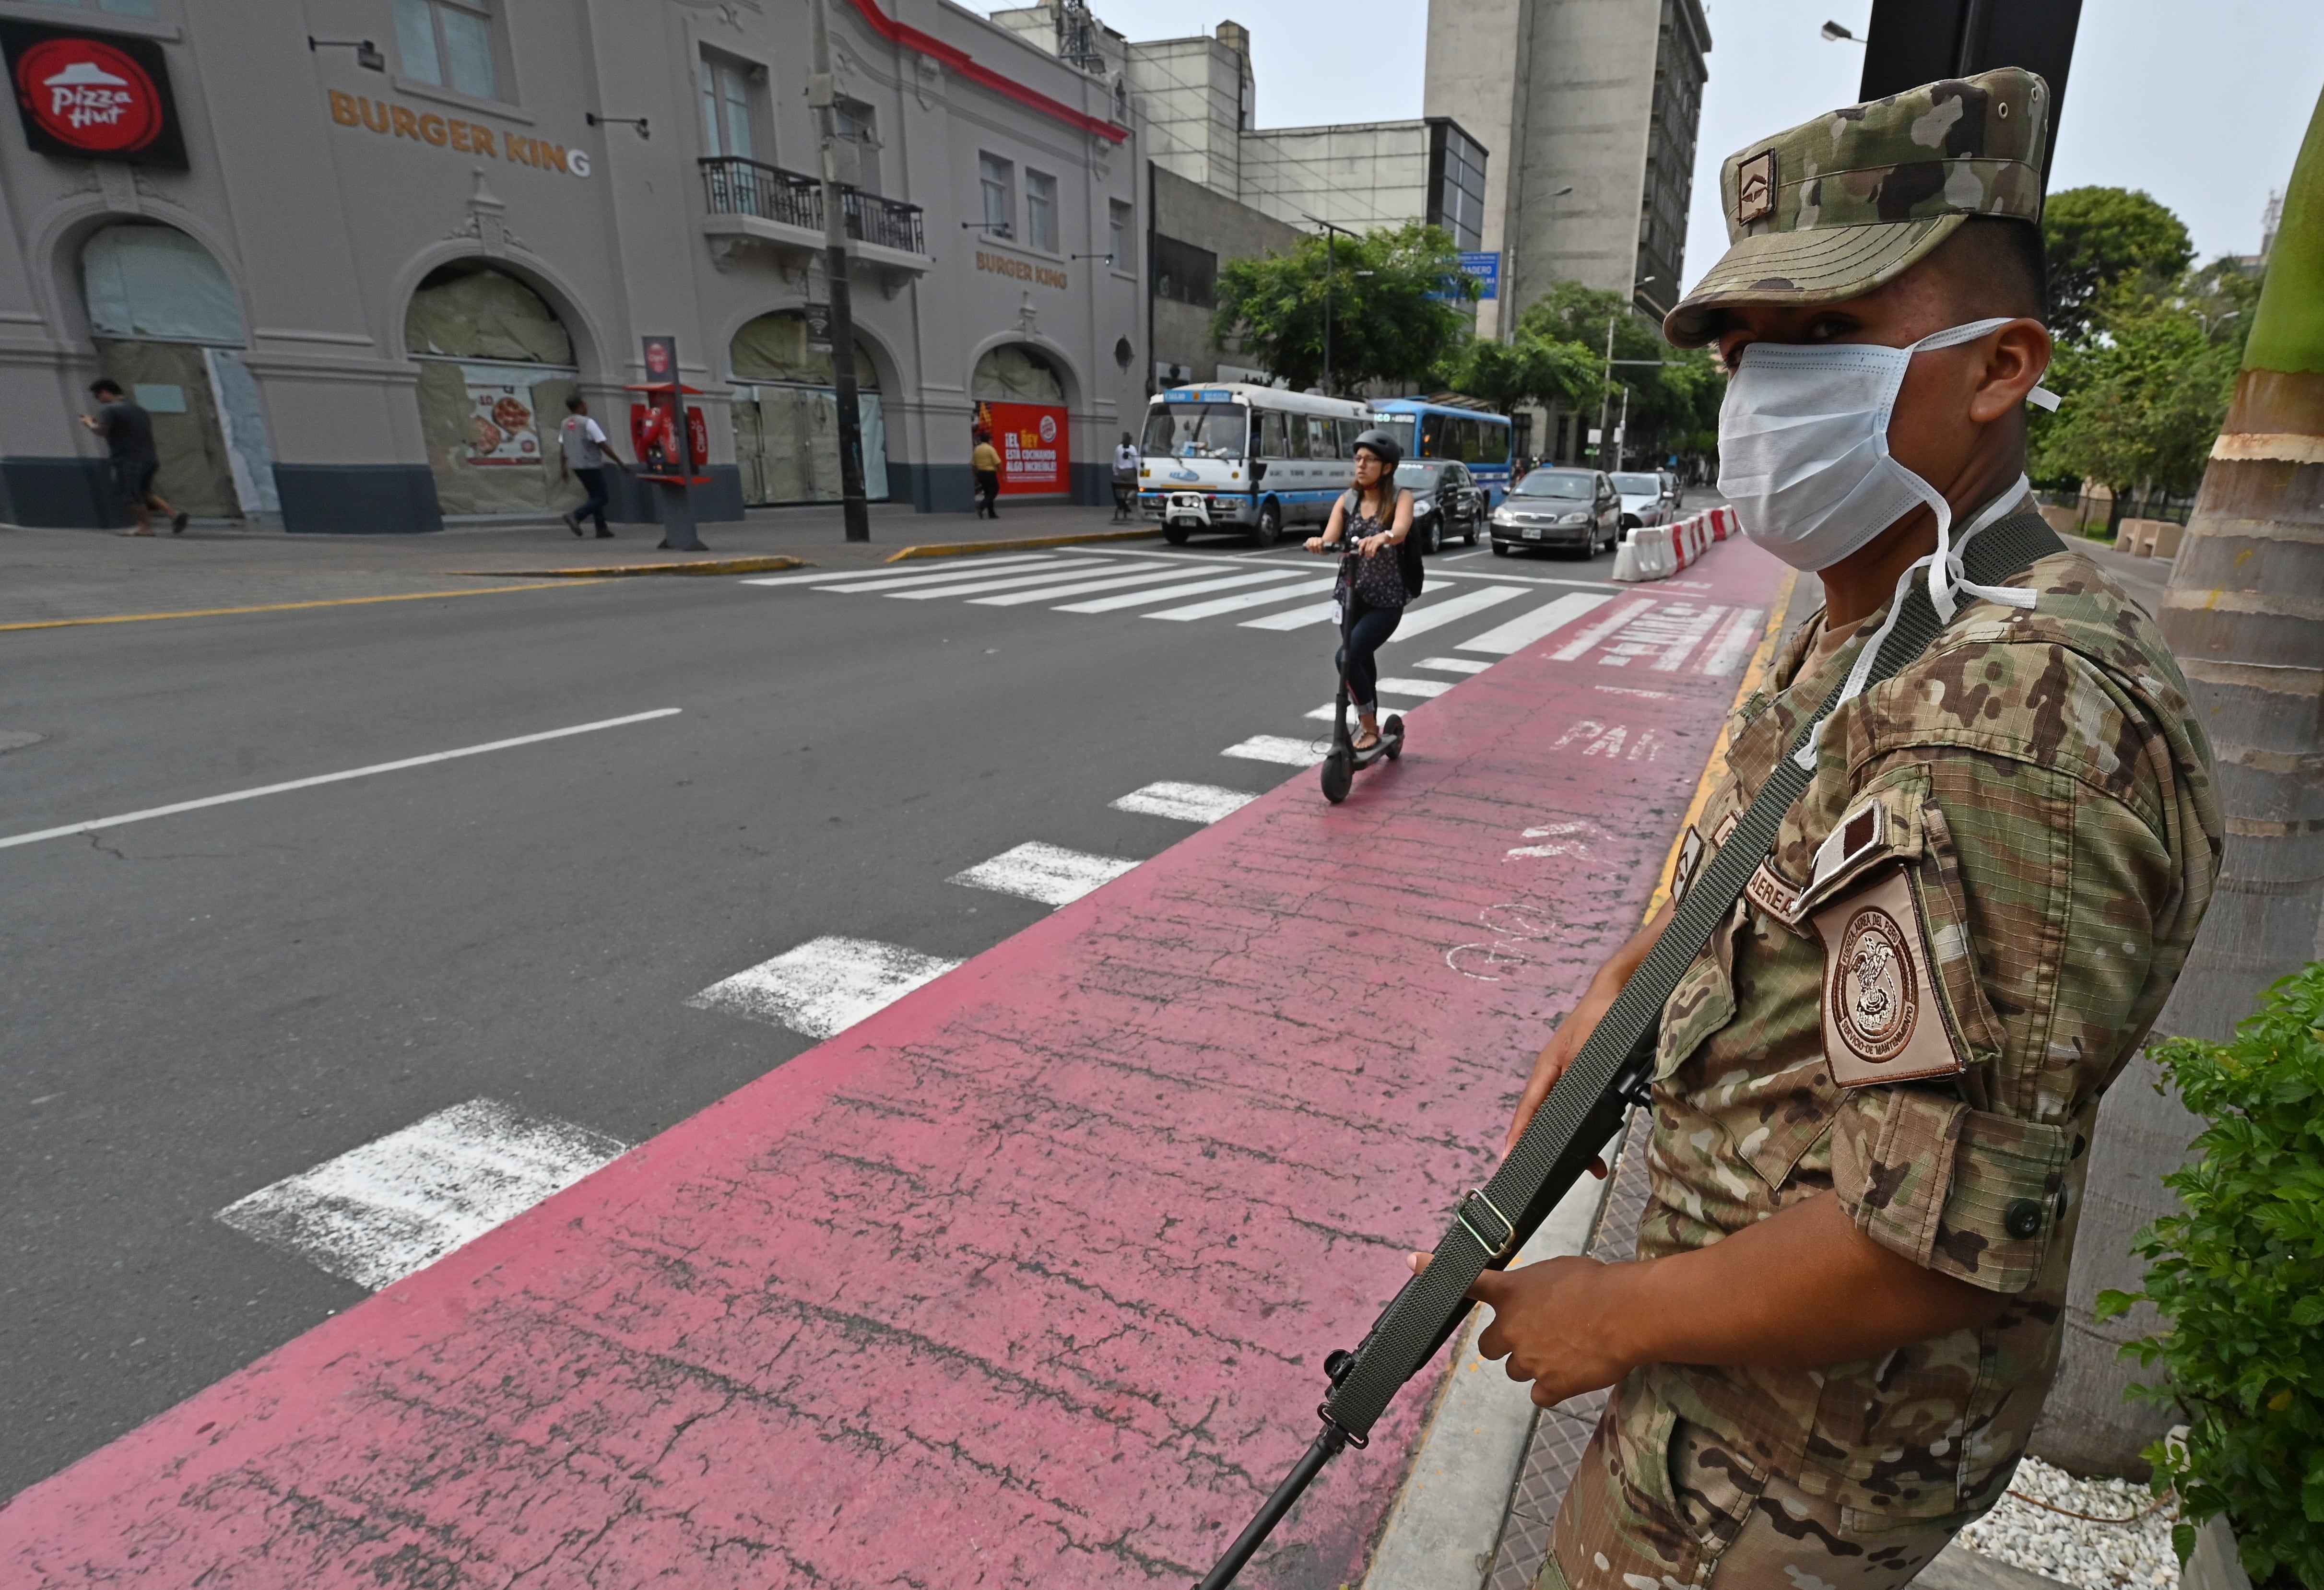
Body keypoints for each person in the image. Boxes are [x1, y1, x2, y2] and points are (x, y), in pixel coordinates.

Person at [1428, 69, 2222, 1590]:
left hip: (1795, 1456)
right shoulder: (1865, 610)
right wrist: (1508, 1200)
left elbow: (1920, 1241)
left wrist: (1606, 1313)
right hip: (1715, 1351)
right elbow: (1704, 930)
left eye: (1824, 338)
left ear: (1999, 368)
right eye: (1742, 345)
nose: (1759, 389)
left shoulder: (2015, 725)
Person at [1303, 428, 1414, 753]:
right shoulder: (1347, 500)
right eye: (1358, 459)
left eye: (1370, 460)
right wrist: (1318, 543)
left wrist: (1384, 536)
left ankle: (1368, 727)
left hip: (1386, 602)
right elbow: (1329, 538)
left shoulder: (1399, 498)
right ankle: (1374, 722)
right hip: (1351, 598)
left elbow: (1401, 530)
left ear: (1388, 467)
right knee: (1361, 662)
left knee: (1346, 658)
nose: (1361, 465)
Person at [80, 378, 185, 536]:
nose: (98, 399)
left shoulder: (110, 410)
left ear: (106, 393)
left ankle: (144, 528)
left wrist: (89, 423)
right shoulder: (139, 410)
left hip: (128, 459)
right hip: (149, 458)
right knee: (144, 491)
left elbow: (102, 431)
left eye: (97, 396)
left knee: (132, 493)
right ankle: (173, 514)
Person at [558, 395, 629, 539]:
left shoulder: (565, 423)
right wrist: (620, 462)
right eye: (585, 404)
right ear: (581, 406)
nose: (587, 407)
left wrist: (563, 468)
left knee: (594, 496)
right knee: (602, 498)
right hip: (590, 465)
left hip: (576, 465)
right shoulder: (588, 423)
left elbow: (563, 447)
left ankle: (601, 528)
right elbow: (602, 444)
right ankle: (576, 516)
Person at [972, 429, 1002, 519]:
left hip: (981, 473)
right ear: (989, 440)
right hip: (990, 473)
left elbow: (973, 465)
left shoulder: (977, 449)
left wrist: (976, 476)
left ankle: (991, 513)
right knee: (994, 490)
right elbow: (998, 463)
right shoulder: (990, 449)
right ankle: (981, 506)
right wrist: (1003, 475)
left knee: (988, 493)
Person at [1111, 431, 1140, 522]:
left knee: (1123, 490)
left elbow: (1115, 462)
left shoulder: (1118, 448)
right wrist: (1139, 471)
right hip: (1130, 472)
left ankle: (1123, 508)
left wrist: (1116, 472)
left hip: (1120, 472)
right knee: (1136, 487)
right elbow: (1136, 462)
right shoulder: (1132, 449)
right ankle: (1125, 503)